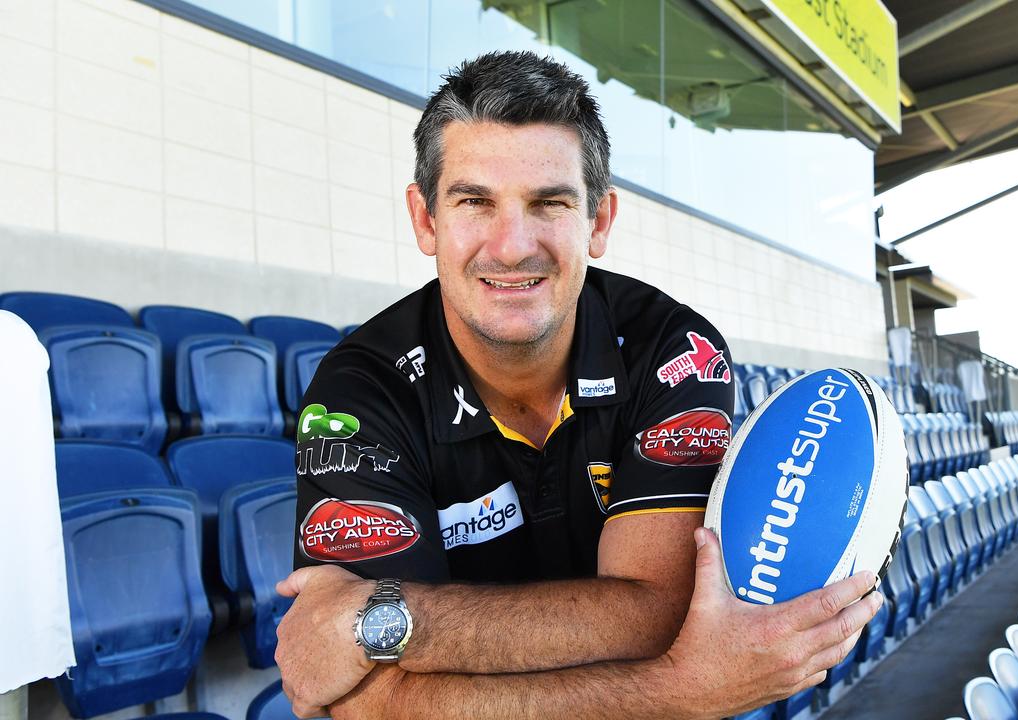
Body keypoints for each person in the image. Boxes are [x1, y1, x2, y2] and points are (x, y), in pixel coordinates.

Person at [275, 50, 882, 719]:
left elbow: (660, 610)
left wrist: (382, 621)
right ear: (426, 220)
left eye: (549, 203)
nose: (511, 246)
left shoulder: (675, 351)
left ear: (598, 221)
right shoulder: (360, 390)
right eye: (475, 201)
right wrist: (679, 692)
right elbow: (375, 705)